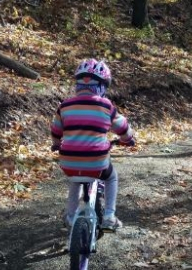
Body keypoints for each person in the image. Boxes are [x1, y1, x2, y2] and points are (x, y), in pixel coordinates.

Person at [51, 59, 135, 231]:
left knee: (75, 181)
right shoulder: (105, 106)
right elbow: (122, 127)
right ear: (103, 86)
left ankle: (71, 216)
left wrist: (56, 144)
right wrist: (128, 138)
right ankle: (109, 216)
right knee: (111, 177)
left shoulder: (65, 106)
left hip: (69, 161)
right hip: (97, 161)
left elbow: (55, 130)